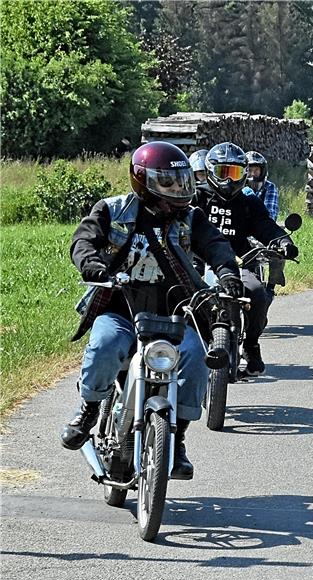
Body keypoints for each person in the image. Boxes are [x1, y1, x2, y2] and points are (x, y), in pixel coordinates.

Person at [61, 141, 243, 480]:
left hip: (173, 313)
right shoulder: (113, 210)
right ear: (144, 181)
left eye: (181, 181)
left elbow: (216, 245)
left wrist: (228, 273)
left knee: (195, 358)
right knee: (105, 344)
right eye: (168, 183)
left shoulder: (193, 218)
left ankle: (179, 438)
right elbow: (83, 240)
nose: (178, 189)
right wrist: (93, 266)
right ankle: (88, 409)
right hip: (121, 308)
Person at [194, 141, 297, 376]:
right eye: (223, 172)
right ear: (210, 171)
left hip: (239, 258)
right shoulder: (196, 197)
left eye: (235, 172)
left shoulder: (247, 201)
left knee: (257, 293)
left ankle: (251, 345)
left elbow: (264, 225)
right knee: (181, 295)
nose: (229, 180)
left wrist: (283, 241)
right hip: (199, 258)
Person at [243, 150, 280, 220]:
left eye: (256, 170)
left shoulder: (269, 187)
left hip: (259, 229)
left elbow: (270, 216)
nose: (252, 174)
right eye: (249, 170)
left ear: (262, 171)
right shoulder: (237, 187)